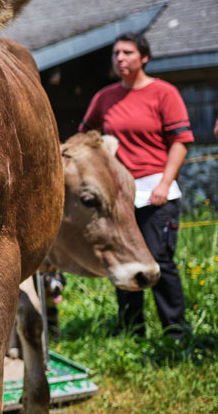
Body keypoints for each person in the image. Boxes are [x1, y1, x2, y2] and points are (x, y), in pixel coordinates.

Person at [80, 32, 193, 339]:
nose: (120, 58)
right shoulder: (104, 98)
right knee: (124, 260)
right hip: (120, 196)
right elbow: (86, 138)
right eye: (116, 53)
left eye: (127, 53)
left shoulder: (164, 93)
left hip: (158, 191)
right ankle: (132, 330)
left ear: (144, 57)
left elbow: (180, 142)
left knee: (160, 260)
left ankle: (175, 332)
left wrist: (165, 183)